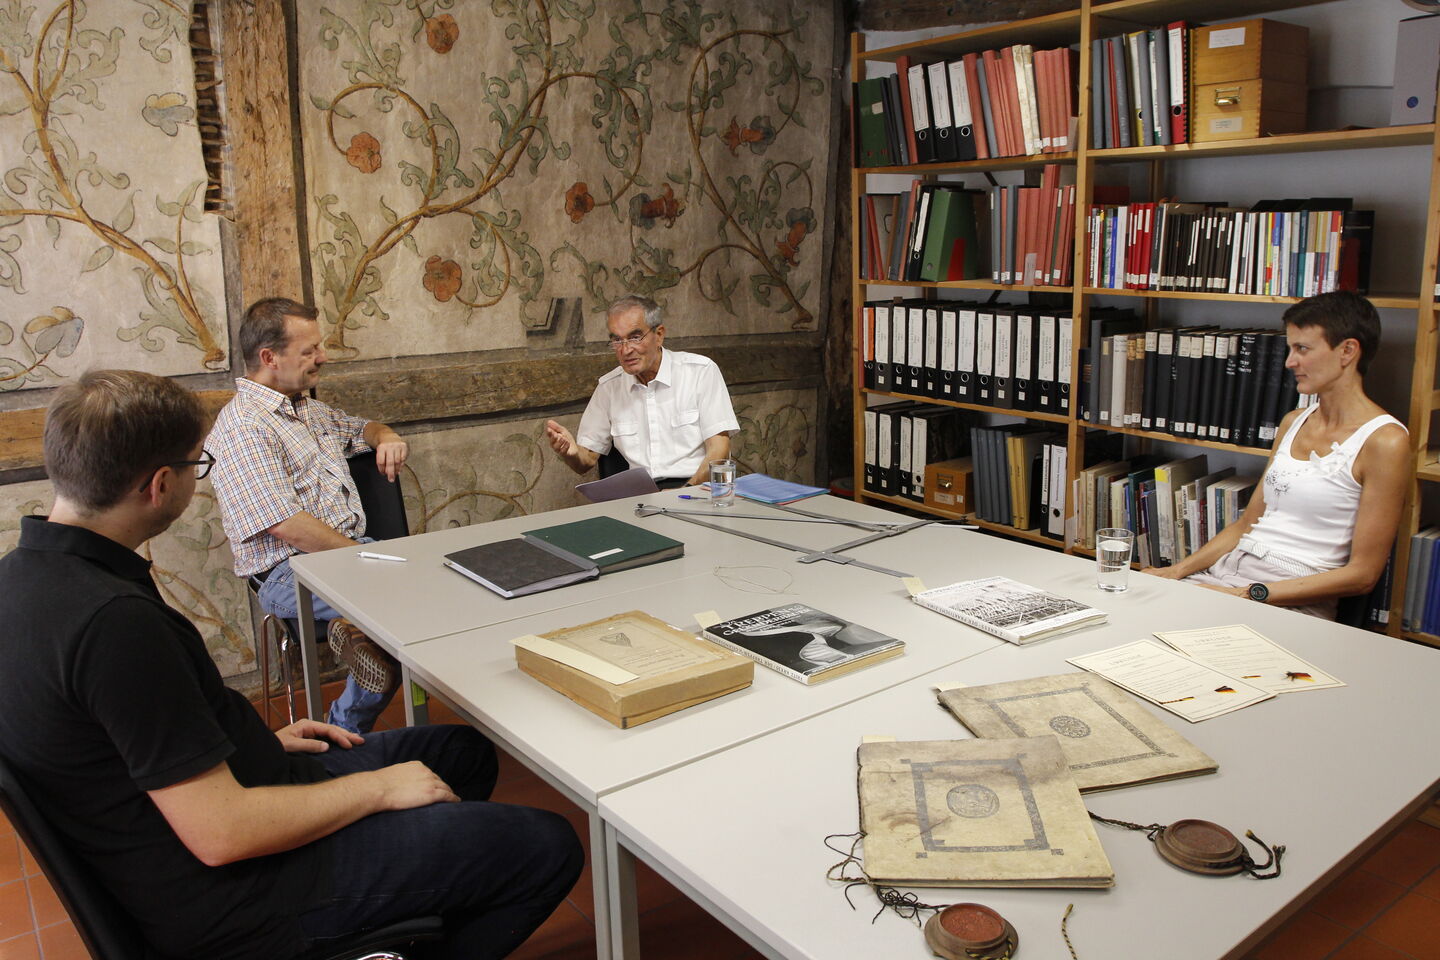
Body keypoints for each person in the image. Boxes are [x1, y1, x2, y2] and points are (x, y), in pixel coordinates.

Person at [0, 370, 582, 960]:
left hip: (225, 797)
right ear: (159, 484)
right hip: (238, 889)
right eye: (197, 467)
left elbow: (127, 741)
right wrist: (378, 790)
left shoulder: (22, 578)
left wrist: (245, 742)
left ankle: (411, 910)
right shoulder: (113, 623)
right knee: (547, 845)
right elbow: (222, 833)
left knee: (462, 754)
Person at [1142, 291, 1409, 619]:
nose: (1289, 362)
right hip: (1227, 573)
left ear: (1348, 351)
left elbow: (1362, 575)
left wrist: (1246, 594)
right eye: (1290, 348)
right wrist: (1176, 572)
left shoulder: (1385, 441)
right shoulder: (1293, 422)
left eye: (1303, 349)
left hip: (1288, 597)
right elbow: (1246, 524)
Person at [209, 297, 403, 734]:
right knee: (402, 610)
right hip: (288, 572)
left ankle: (356, 632)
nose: (323, 356)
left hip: (345, 555)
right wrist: (362, 560)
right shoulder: (244, 427)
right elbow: (287, 525)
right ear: (269, 358)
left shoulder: (308, 410)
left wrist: (386, 435)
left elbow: (362, 429)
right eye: (310, 350)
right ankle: (340, 734)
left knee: (416, 600)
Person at [545, 295, 740, 489]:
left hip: (696, 487)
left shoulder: (700, 371)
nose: (625, 350)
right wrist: (570, 453)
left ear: (659, 335)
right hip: (641, 496)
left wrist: (683, 493)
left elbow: (719, 450)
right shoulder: (609, 388)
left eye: (635, 337)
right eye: (617, 340)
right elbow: (585, 461)